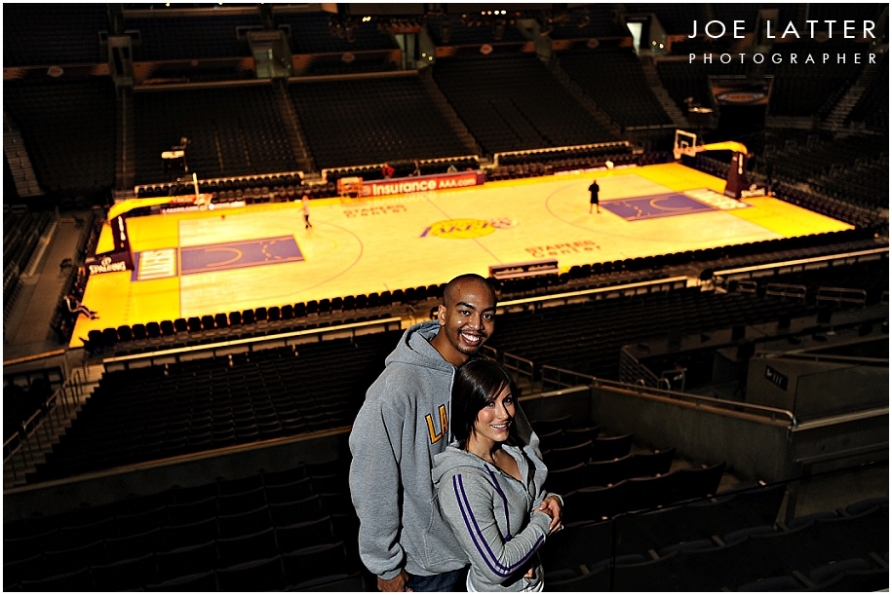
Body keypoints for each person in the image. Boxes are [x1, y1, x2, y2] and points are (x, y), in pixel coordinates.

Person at [349, 274, 561, 592]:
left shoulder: (482, 373)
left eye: (486, 315)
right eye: (465, 311)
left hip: (493, 550)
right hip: (432, 567)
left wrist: (532, 518)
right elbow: (373, 482)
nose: (476, 325)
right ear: (442, 313)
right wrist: (385, 564)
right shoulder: (396, 389)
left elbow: (523, 445)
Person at [433, 359, 562, 592]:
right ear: (467, 407)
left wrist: (552, 501)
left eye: (508, 400)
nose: (504, 414)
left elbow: (531, 501)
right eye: (489, 403)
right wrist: (544, 521)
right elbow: (498, 567)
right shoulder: (461, 482)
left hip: (534, 582)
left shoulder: (512, 450)